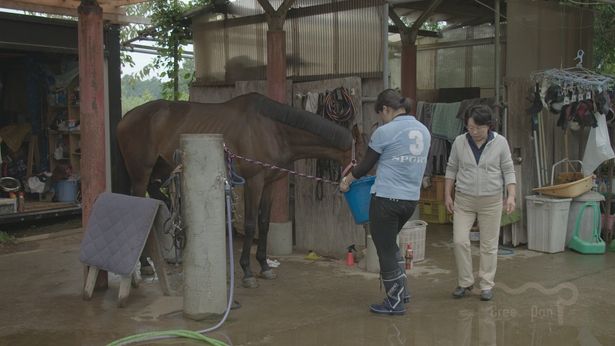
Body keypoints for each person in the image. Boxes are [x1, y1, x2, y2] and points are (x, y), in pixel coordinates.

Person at [340, 89, 431, 315]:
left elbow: (364, 166)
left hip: (386, 199)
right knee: (391, 245)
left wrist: (346, 180)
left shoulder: (385, 131)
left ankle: (394, 301)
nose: (381, 118)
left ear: (386, 109)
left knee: (385, 250)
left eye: (381, 114)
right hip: (410, 201)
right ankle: (403, 292)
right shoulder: (423, 130)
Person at [444, 105, 516, 301]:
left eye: (478, 128)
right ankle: (465, 282)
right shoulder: (460, 142)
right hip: (464, 199)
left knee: (489, 244)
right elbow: (451, 169)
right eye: (470, 127)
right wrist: (447, 195)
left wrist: (511, 195)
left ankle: (486, 284)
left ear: (488, 126)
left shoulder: (500, 142)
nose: (473, 132)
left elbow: (508, 170)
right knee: (459, 240)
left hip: (491, 200)